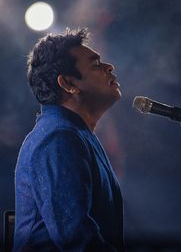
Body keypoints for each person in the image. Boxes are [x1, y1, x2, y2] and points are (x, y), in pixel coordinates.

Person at [13, 28, 124, 251]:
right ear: (68, 84)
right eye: (95, 64)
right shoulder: (58, 138)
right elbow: (77, 239)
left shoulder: (74, 134)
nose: (109, 67)